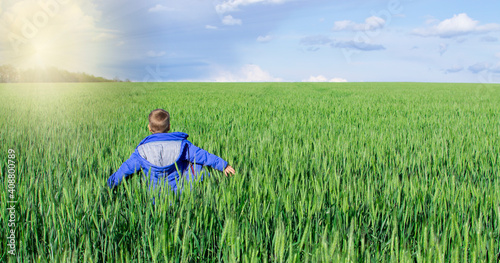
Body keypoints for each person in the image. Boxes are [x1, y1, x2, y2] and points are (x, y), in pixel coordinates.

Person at [107, 109, 235, 193]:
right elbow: (203, 156)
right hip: (182, 191)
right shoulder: (181, 145)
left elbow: (124, 169)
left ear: (149, 128)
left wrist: (109, 185)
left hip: (154, 195)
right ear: (169, 127)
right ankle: (212, 183)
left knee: (135, 171)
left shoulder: (142, 151)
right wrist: (224, 165)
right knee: (198, 162)